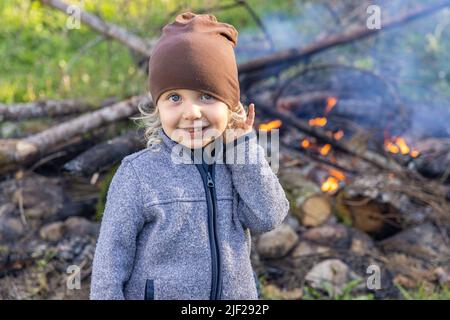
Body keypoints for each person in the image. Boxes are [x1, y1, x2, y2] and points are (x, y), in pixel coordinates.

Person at [90, 12, 289, 300]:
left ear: (231, 106)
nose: (191, 112)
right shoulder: (138, 174)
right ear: (157, 107)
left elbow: (268, 217)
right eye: (174, 98)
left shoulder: (236, 164)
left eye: (206, 96)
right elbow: (109, 266)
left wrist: (242, 147)